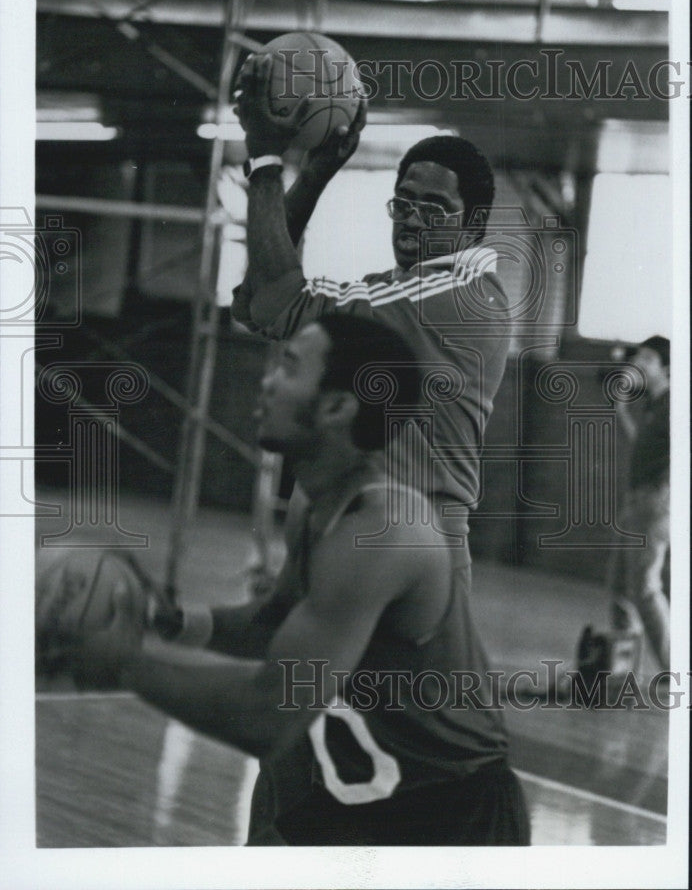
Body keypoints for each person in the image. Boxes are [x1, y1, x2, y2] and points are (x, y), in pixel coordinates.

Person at [74, 313, 530, 846]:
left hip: (450, 812)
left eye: (288, 368)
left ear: (338, 405)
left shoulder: (383, 531)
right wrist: (170, 622)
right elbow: (273, 622)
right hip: (365, 789)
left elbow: (269, 714)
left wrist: (124, 663)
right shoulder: (316, 501)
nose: (266, 382)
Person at [232, 52, 512, 591]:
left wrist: (267, 160)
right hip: (360, 524)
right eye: (404, 202)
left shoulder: (452, 296)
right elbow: (260, 304)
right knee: (297, 662)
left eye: (433, 209)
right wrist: (314, 174)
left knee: (403, 679)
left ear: (473, 224)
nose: (411, 218)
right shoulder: (403, 286)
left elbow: (274, 303)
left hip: (414, 537)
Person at [609, 335, 670, 671]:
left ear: (667, 368)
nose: (638, 364)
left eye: (647, 358)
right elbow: (641, 449)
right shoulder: (654, 406)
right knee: (620, 586)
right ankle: (622, 670)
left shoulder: (675, 404)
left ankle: (676, 669)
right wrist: (621, 411)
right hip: (639, 501)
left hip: (656, 501)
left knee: (644, 589)